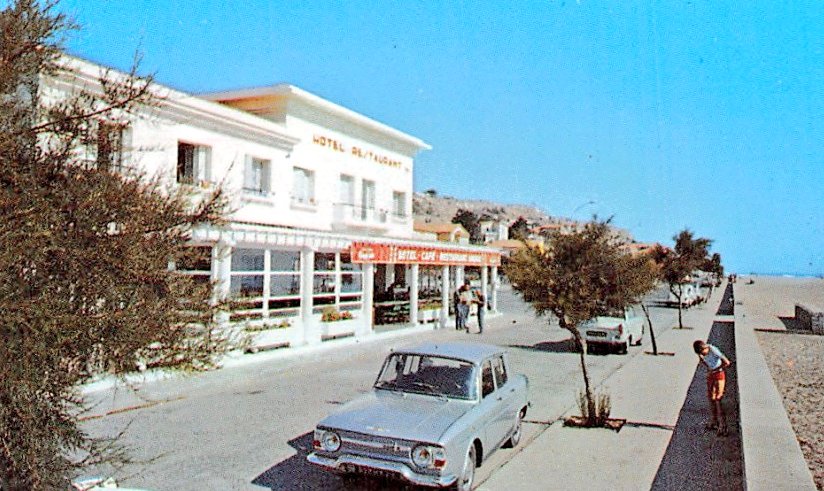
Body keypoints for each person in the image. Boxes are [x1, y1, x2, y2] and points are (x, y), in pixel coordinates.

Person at [693, 340, 732, 436]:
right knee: (711, 398)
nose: (702, 355)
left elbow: (727, 362)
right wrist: (706, 365)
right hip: (711, 374)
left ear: (705, 348)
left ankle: (723, 426)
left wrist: (716, 370)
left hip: (719, 374)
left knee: (718, 399)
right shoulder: (700, 353)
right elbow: (705, 362)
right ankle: (714, 421)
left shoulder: (713, 350)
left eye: (703, 353)